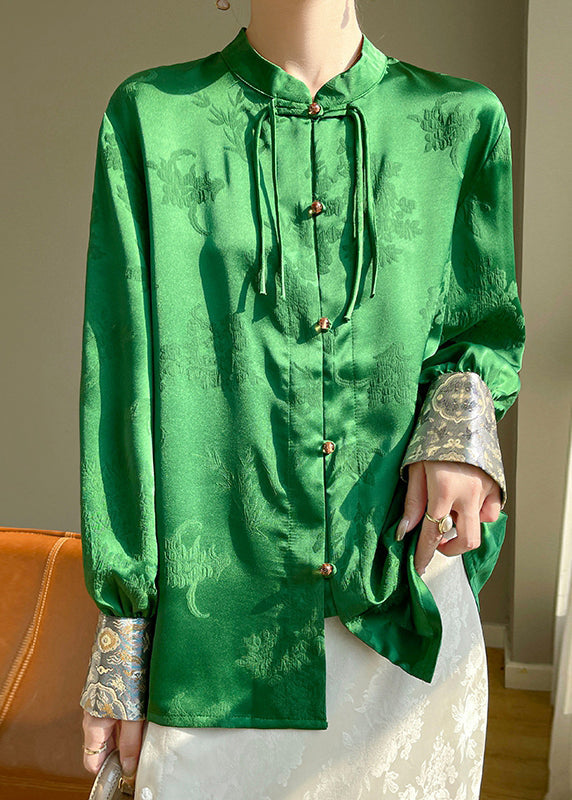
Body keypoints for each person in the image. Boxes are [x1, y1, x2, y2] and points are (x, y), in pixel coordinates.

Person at [79, 0, 526, 797]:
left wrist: (459, 426)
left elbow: (481, 332)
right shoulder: (151, 118)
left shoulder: (461, 122)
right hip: (217, 643)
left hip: (402, 612)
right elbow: (120, 384)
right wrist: (124, 640)